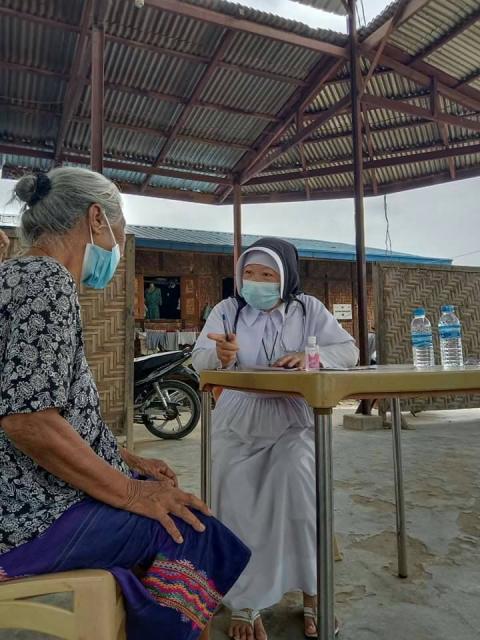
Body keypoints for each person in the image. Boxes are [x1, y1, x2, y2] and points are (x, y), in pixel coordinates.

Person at [0, 168, 250, 640]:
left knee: (159, 496)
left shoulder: (15, 276)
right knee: (195, 530)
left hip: (25, 495)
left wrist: (126, 459)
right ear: (96, 219)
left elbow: (44, 408)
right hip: (26, 516)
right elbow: (28, 420)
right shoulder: (47, 280)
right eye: (119, 229)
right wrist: (130, 491)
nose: (118, 244)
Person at [192, 238, 359, 640]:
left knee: (299, 480)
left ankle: (314, 594)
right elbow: (201, 359)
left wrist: (309, 357)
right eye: (249, 274)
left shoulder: (309, 309)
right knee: (232, 487)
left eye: (268, 276)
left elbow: (348, 351)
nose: (257, 282)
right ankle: (245, 601)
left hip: (292, 419)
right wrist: (224, 357)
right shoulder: (227, 310)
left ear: (285, 278)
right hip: (238, 415)